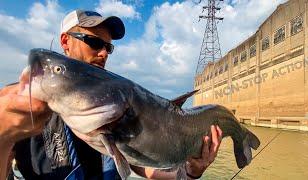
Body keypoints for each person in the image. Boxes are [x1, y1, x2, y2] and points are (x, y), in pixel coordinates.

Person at [0, 10, 223, 180]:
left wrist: (190, 173)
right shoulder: (17, 103)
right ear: (65, 41)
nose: (104, 52)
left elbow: (136, 162)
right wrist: (3, 136)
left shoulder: (113, 100)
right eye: (95, 42)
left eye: (109, 47)